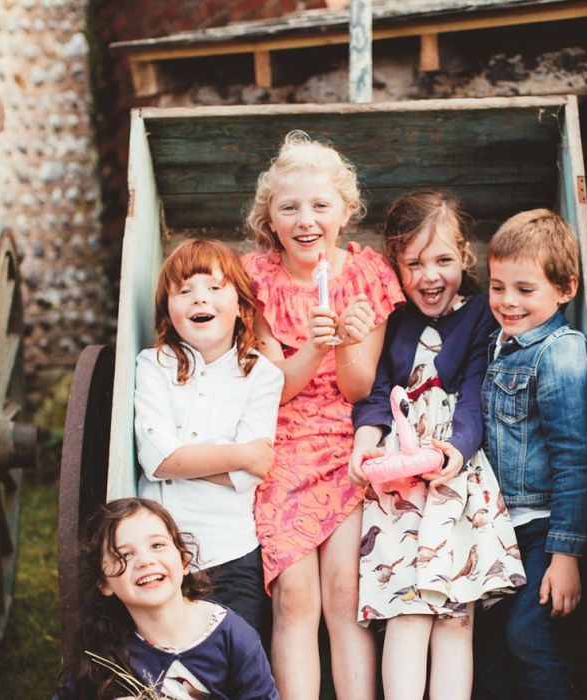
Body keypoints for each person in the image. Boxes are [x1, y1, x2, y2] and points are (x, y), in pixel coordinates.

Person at [243, 130, 404, 699]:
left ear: (344, 212)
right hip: (280, 445)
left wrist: (344, 343)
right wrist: (312, 345)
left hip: (347, 443)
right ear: (271, 218)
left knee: (343, 596)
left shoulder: (369, 275)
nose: (305, 219)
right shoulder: (256, 280)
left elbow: (360, 387)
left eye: (319, 205)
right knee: (295, 598)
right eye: (289, 207)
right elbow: (274, 393)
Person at [349, 191, 525, 700]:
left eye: (443, 260)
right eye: (415, 262)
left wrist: (456, 451)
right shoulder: (392, 318)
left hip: (455, 474)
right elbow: (377, 393)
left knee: (454, 615)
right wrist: (366, 444)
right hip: (398, 476)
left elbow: (474, 394)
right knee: (407, 607)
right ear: (396, 265)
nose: (431, 276)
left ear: (464, 256)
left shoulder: (480, 316)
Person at [134, 238, 283, 638]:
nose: (200, 298)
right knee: (171, 665)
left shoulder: (263, 375)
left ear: (241, 306)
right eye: (184, 291)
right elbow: (157, 459)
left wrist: (184, 461)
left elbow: (250, 476)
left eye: (215, 288)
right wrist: (238, 455)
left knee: (236, 659)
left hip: (230, 552)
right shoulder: (153, 365)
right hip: (160, 553)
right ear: (169, 308)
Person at [475, 209, 587, 699]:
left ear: (565, 289)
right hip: (499, 527)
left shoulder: (559, 353)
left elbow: (573, 458)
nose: (507, 301)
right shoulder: (499, 343)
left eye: (525, 290)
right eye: (498, 286)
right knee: (489, 648)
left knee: (528, 636)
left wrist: (565, 555)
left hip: (543, 530)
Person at [55, 497, 279, 700]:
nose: (145, 561)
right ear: (104, 583)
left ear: (183, 560)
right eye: (124, 555)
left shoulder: (232, 635)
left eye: (157, 545)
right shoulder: (104, 646)